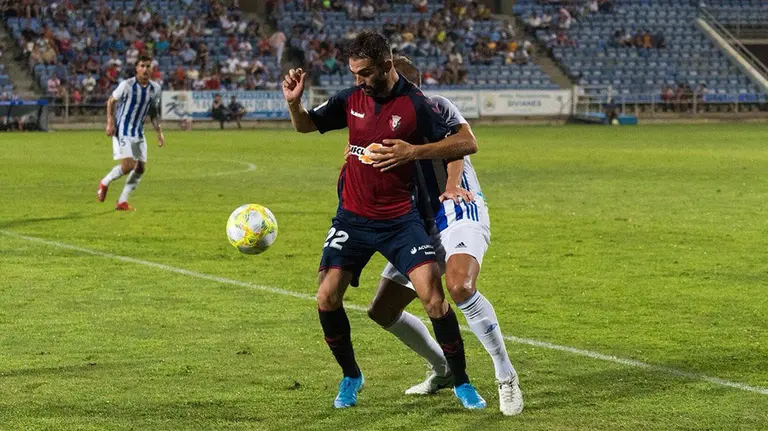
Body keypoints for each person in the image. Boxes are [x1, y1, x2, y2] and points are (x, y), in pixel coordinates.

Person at [282, 31, 484, 410]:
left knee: (434, 298)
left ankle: (461, 382)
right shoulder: (351, 98)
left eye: (365, 73)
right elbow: (305, 125)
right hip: (352, 218)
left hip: (400, 219)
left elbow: (466, 143)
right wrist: (295, 105)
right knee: (326, 296)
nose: (358, 80)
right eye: (354, 73)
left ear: (387, 66)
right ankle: (351, 376)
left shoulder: (416, 105)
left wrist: (415, 151)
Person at [360, 56, 524, 416]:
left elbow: (464, 144)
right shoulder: (379, 120)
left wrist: (450, 185)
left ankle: (505, 375)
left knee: (460, 287)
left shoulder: (433, 107)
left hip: (457, 205)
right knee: (382, 309)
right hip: (418, 221)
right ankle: (444, 368)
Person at [96, 55, 164, 211]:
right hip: (123, 130)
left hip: (139, 132)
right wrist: (110, 122)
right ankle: (105, 182)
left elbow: (153, 112)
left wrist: (159, 132)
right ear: (137, 68)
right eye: (143, 66)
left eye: (149, 66)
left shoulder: (155, 89)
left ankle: (122, 201)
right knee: (128, 166)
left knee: (140, 168)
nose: (146, 69)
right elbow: (111, 101)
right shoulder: (126, 85)